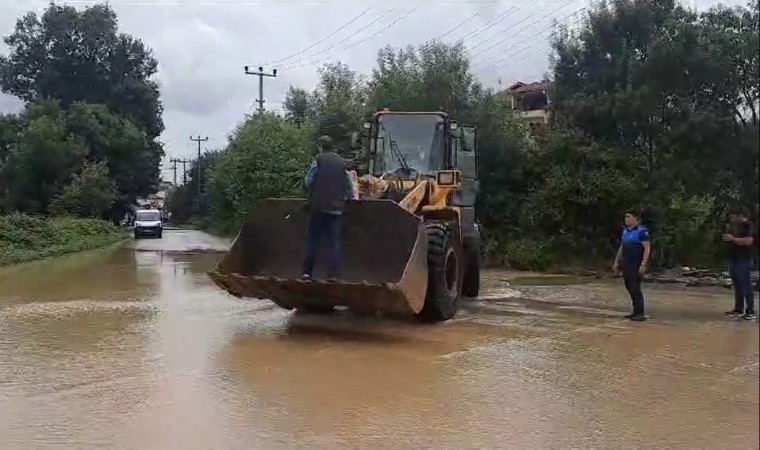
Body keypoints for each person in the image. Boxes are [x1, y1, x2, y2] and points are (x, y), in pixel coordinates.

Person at [301, 135, 358, 282]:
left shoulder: (318, 161)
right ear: (332, 147)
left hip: (318, 207)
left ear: (320, 146)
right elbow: (348, 186)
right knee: (334, 243)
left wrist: (314, 191)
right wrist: (352, 198)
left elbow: (308, 181)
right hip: (336, 209)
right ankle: (332, 275)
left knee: (312, 241)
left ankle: (307, 273)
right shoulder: (342, 163)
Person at [613, 210, 652, 321]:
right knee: (629, 286)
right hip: (626, 262)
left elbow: (647, 249)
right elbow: (622, 247)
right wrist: (616, 261)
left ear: (635, 219)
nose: (626, 219)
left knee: (635, 287)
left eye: (628, 217)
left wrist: (643, 264)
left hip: (636, 263)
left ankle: (640, 313)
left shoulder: (642, 232)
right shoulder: (625, 231)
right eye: (625, 217)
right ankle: (635, 312)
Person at [723, 206, 755, 320]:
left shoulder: (749, 225)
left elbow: (749, 241)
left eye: (733, 216)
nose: (731, 218)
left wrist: (733, 239)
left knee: (746, 284)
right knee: (737, 285)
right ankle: (738, 309)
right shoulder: (734, 226)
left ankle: (750, 311)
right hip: (734, 258)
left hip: (744, 259)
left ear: (740, 216)